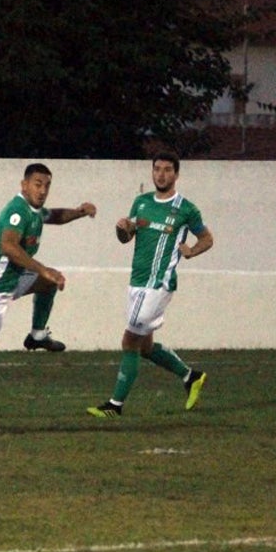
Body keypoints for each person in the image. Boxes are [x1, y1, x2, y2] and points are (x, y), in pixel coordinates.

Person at [0, 163, 96, 438]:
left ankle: (37, 335)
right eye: (37, 184)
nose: (42, 190)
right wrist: (41, 269)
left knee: (51, 281)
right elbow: (8, 245)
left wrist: (80, 212)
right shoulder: (17, 211)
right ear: (24, 185)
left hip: (10, 282)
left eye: (47, 185)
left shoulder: (34, 211)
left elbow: (55, 216)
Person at [87, 152, 212, 419]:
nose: (161, 174)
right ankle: (190, 376)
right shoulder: (141, 202)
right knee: (144, 347)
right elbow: (126, 237)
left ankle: (115, 405)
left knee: (129, 340)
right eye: (157, 169)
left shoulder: (186, 209)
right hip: (137, 281)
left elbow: (207, 238)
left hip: (159, 283)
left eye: (167, 170)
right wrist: (122, 228)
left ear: (176, 174)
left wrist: (192, 251)